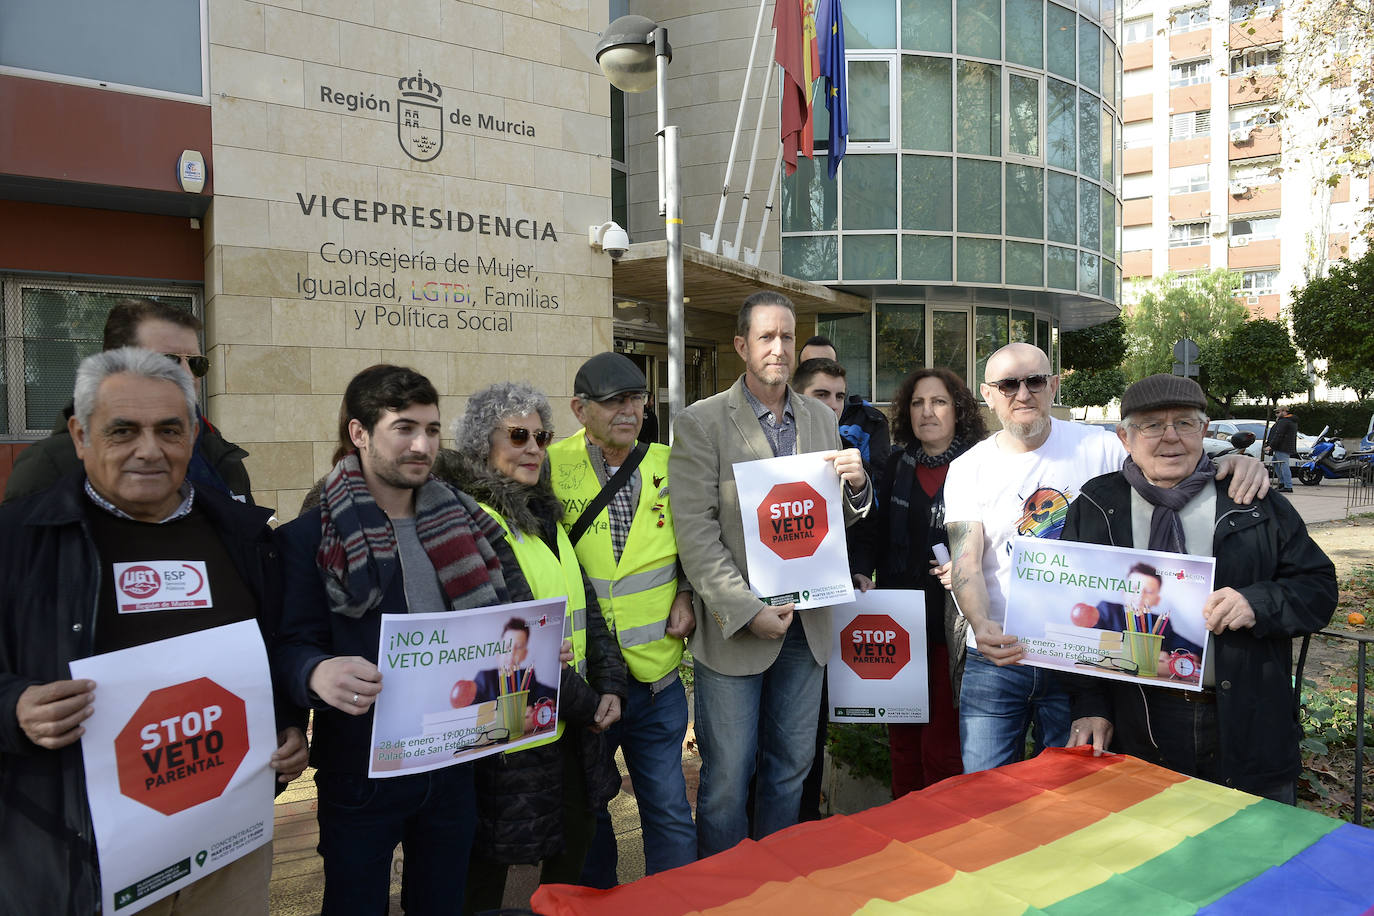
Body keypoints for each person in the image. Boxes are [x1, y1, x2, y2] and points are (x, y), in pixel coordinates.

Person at [0, 347, 306, 916]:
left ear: (192, 433)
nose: (150, 449)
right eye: (122, 430)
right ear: (79, 434)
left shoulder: (243, 535)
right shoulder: (17, 541)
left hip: (226, 846)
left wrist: (287, 721)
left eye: (169, 429)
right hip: (79, 855)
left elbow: (276, 647)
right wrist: (14, 707)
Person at [944, 343, 1270, 773]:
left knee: (1069, 792)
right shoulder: (968, 467)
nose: (1022, 394)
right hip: (998, 658)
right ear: (988, 394)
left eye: (1035, 381)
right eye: (1007, 385)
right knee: (983, 788)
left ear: (1054, 385)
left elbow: (1170, 456)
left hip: (1079, 657)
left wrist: (1234, 462)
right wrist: (981, 623)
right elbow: (965, 558)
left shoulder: (1099, 448)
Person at [273, 365, 523, 915]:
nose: (422, 445)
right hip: (361, 771)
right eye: (404, 428)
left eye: (432, 430)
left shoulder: (470, 523)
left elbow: (509, 619)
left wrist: (531, 647)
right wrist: (315, 672)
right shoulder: (309, 537)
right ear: (359, 433)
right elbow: (288, 644)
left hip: (455, 762)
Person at [1065, 374, 1336, 802]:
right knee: (1153, 859)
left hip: (1245, 721)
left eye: (1185, 423)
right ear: (1125, 436)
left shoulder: (1252, 500)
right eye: (1152, 424)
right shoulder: (1097, 507)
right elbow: (1073, 613)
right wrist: (1090, 704)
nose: (1170, 437)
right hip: (1140, 722)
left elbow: (1318, 588)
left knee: (1254, 859)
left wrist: (1257, 602)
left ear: (1205, 430)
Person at [671, 292, 871, 857]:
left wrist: (857, 487)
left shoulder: (819, 419)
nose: (778, 347)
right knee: (727, 781)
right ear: (741, 346)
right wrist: (746, 611)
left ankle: (774, 888)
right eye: (766, 337)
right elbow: (696, 535)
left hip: (807, 631)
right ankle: (721, 894)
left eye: (786, 336)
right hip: (739, 632)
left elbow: (836, 519)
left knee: (790, 769)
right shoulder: (700, 423)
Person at [449, 381, 625, 912]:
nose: (533, 448)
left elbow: (587, 610)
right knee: (489, 866)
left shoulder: (543, 515)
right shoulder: (478, 522)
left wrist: (609, 684)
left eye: (542, 437)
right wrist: (592, 702)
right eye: (519, 435)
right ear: (484, 443)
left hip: (567, 718)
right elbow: (514, 635)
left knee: (573, 844)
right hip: (512, 731)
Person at [548, 352, 697, 886]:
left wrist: (687, 592)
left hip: (656, 678)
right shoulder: (547, 465)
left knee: (668, 810)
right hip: (584, 685)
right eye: (614, 402)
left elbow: (698, 547)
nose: (629, 411)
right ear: (578, 408)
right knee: (588, 814)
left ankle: (677, 901)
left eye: (636, 399)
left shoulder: (672, 462)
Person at [850, 368, 987, 796]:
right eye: (917, 403)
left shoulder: (982, 465)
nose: (927, 412)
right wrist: (860, 568)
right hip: (899, 623)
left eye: (939, 402)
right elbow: (871, 527)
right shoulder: (894, 464)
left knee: (943, 747)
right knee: (903, 743)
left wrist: (968, 566)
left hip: (953, 623)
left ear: (958, 409)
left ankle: (941, 837)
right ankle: (902, 834)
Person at [5, 298, 253, 504]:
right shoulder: (50, 467)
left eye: (196, 363)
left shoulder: (220, 454)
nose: (188, 375)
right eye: (167, 360)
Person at [798, 335, 891, 475]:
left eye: (827, 365)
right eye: (810, 367)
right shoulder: (779, 422)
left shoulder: (870, 421)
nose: (821, 371)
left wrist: (860, 484)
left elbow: (879, 485)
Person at [1087, 562, 1204, 658]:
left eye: (1148, 592)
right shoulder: (1106, 611)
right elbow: (1090, 641)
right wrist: (1153, 655)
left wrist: (1191, 656)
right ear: (1123, 592)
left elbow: (1196, 651)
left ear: (1157, 600)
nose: (1140, 596)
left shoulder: (1161, 624)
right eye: (1134, 589)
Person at [470, 617, 557, 708]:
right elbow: (472, 709)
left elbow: (552, 695)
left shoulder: (527, 677)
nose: (511, 654)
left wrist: (547, 703)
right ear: (498, 651)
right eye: (507, 646)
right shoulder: (484, 679)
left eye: (518, 647)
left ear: (525, 654)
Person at [1266, 407, 1298, 493]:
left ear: (1284, 412)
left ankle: (1287, 485)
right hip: (1284, 446)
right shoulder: (1290, 421)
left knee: (1284, 466)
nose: (1276, 414)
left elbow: (1279, 434)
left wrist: (1271, 446)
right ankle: (1283, 483)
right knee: (1275, 464)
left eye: (1278, 412)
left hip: (1282, 447)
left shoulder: (1284, 421)